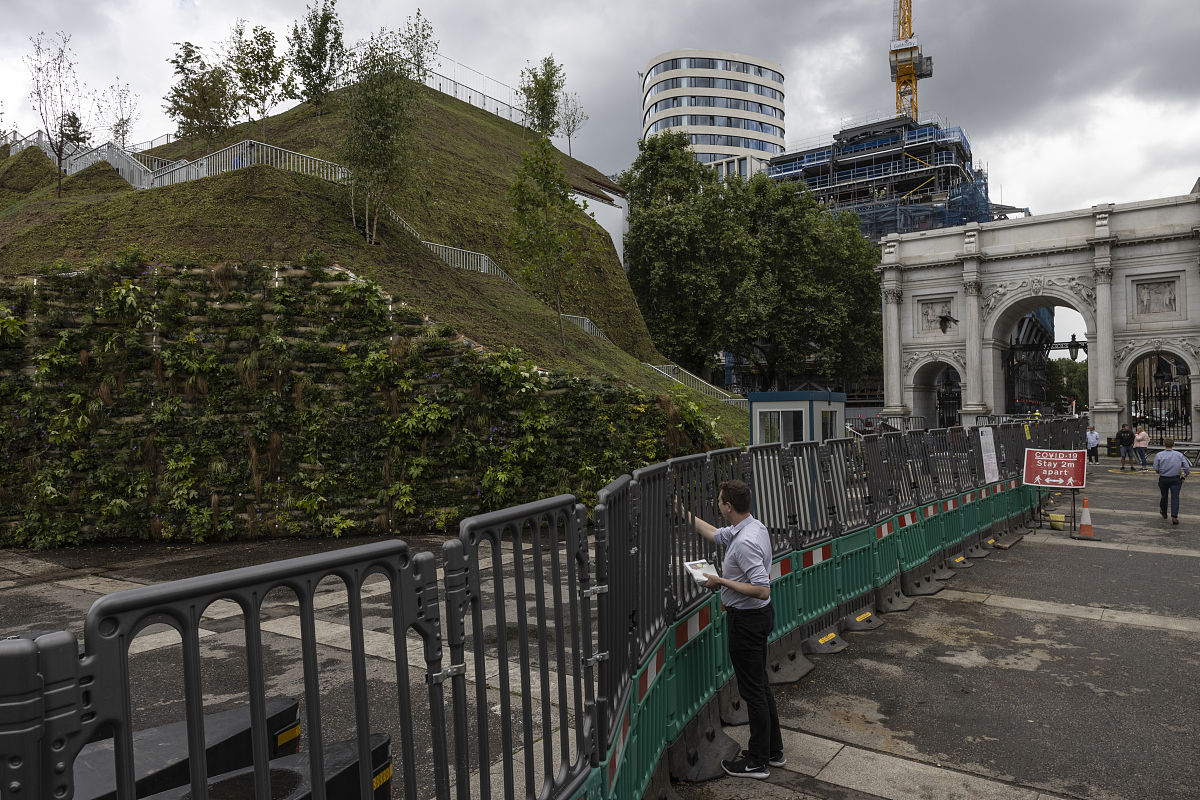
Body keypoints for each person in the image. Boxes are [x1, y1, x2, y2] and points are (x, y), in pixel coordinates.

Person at [679, 480, 783, 779]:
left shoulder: (746, 543)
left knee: (753, 692)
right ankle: (772, 751)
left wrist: (721, 581)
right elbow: (714, 533)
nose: (718, 505)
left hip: (748, 621)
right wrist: (682, 512)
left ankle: (757, 762)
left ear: (728, 506)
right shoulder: (752, 527)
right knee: (760, 686)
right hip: (757, 618)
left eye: (720, 501)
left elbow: (762, 589)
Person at [1152, 439, 1191, 524]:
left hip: (1163, 478)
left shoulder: (1159, 455)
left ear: (1164, 444)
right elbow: (1187, 467)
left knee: (1164, 495)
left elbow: (1155, 467)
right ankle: (1174, 516)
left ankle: (1164, 512)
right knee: (1175, 497)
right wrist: (1185, 475)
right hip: (1175, 478)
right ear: (1173, 444)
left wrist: (1159, 472)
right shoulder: (1179, 455)